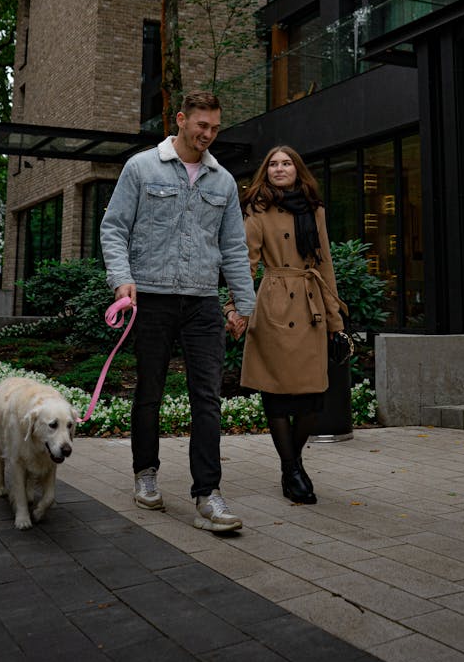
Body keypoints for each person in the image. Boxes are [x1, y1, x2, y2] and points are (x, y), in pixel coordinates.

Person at [99, 91, 255, 533]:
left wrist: (244, 304)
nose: (207, 135)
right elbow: (114, 228)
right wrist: (121, 279)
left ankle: (208, 495)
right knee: (148, 391)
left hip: (204, 301)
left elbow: (234, 248)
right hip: (150, 297)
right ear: (182, 120)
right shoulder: (141, 167)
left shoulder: (222, 181)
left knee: (207, 398)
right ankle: (145, 472)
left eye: (215, 128)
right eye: (201, 126)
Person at [225, 145, 347, 504]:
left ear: (298, 169)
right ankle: (293, 469)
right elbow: (244, 263)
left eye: (287, 163)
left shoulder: (314, 209)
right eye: (274, 164)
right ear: (266, 170)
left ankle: (291, 463)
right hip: (274, 304)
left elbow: (324, 265)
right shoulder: (257, 209)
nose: (280, 168)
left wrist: (335, 321)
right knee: (276, 396)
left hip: (310, 306)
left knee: (312, 399)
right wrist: (236, 308)